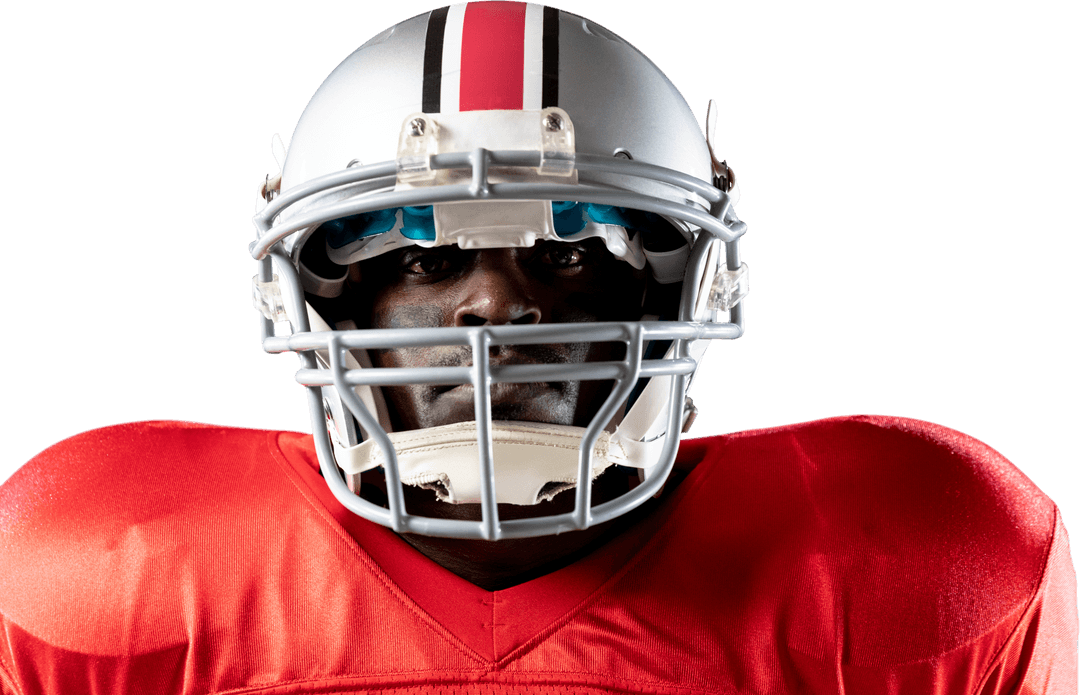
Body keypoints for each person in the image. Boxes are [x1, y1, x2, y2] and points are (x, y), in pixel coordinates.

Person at [0, 2, 1075, 693]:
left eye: (567, 258)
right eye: (420, 262)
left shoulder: (922, 568)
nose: (492, 312)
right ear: (323, 302)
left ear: (687, 285)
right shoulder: (99, 574)